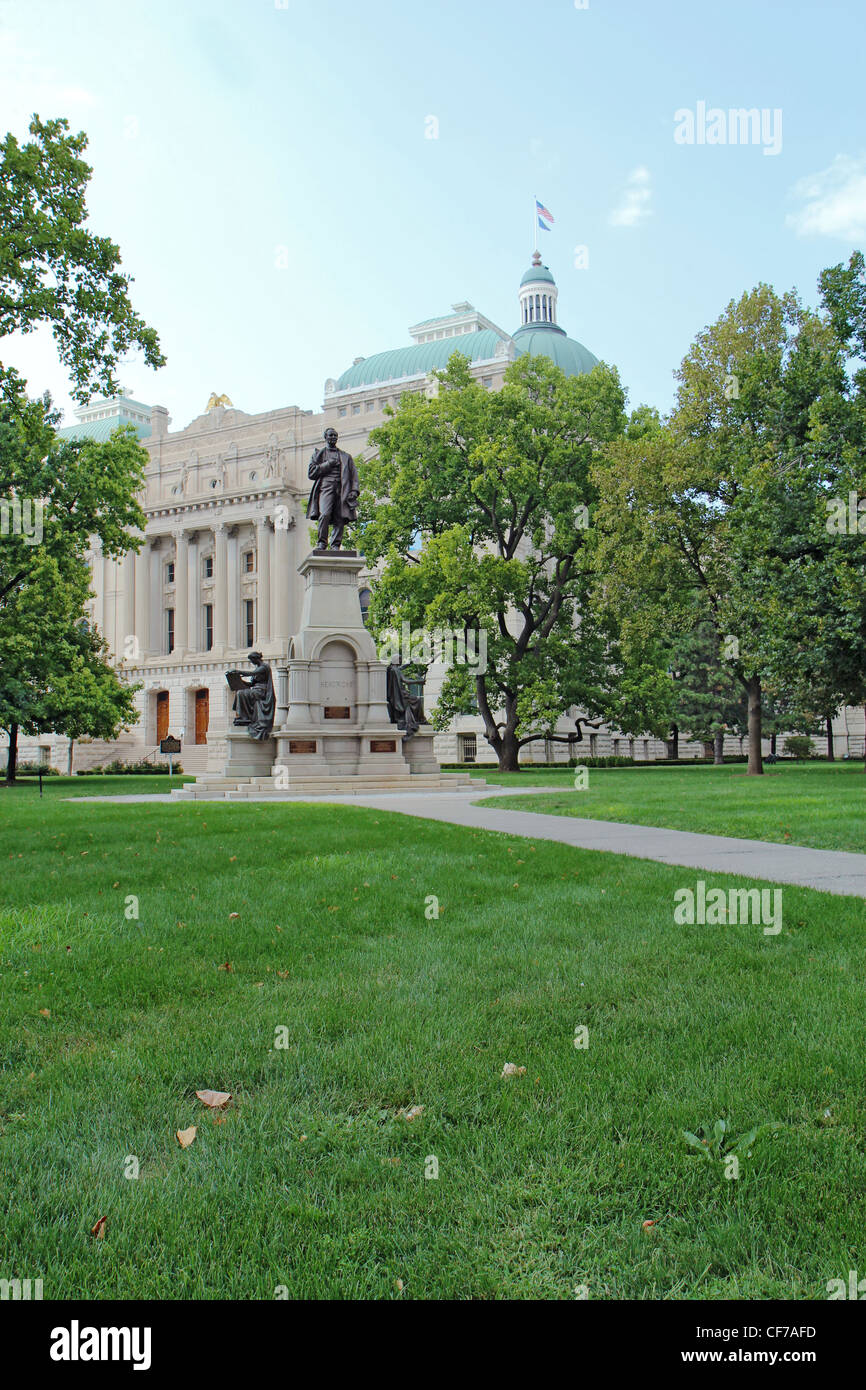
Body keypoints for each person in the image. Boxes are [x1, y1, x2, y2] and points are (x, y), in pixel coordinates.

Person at [306, 427, 359, 551]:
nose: (333, 437)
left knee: (340, 517)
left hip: (342, 489)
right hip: (326, 487)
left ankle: (335, 545)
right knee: (324, 514)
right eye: (330, 435)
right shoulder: (318, 454)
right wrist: (328, 464)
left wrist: (354, 491)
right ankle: (322, 543)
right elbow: (311, 473)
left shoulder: (346, 456)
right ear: (325, 437)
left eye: (335, 435)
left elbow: (354, 476)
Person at [229, 652, 276, 739]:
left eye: (251, 660)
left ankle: (245, 716)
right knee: (240, 692)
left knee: (242, 693)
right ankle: (244, 717)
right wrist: (238, 680)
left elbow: (251, 673)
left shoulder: (264, 667)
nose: (251, 662)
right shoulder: (258, 668)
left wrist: (237, 671)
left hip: (262, 691)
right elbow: (251, 684)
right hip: (255, 690)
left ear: (256, 659)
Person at [386, 657, 426, 740]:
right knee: (417, 701)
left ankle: (419, 719)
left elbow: (401, 668)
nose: (401, 661)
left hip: (395, 696)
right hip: (401, 695)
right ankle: (420, 720)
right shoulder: (396, 670)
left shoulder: (391, 669)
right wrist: (419, 682)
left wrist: (410, 663)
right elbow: (405, 680)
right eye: (400, 659)